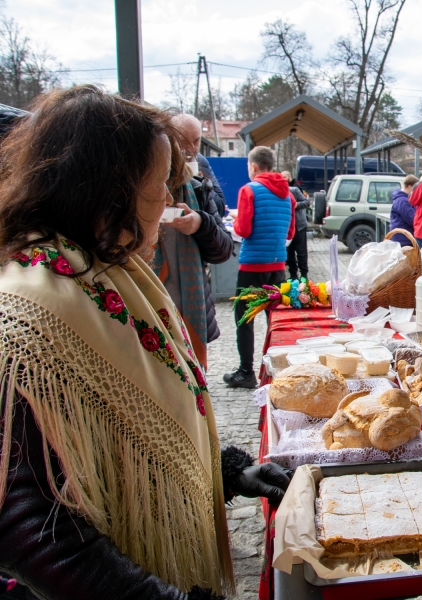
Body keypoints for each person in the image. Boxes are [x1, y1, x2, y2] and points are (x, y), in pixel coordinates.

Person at [0, 85, 291, 600]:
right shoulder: (28, 313)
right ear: (110, 191)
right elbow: (31, 526)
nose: (170, 202)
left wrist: (227, 471)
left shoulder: (105, 270)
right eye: (159, 184)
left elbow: (131, 432)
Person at [153, 146, 234, 370]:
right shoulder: (131, 192)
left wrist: (201, 224)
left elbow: (224, 250)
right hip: (148, 315)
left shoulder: (197, 189)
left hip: (189, 314)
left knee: (191, 376)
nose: (190, 151)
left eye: (195, 142)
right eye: (183, 142)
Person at [224, 146, 296, 389]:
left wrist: (235, 219)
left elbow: (243, 230)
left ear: (253, 166)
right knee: (275, 319)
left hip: (252, 266)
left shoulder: (249, 190)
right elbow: (290, 233)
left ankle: (246, 371)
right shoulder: (288, 195)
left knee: (245, 318)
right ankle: (280, 370)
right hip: (277, 266)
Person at [172, 114, 227, 217]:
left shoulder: (201, 161)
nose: (191, 148)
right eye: (184, 142)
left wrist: (200, 184)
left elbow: (220, 208)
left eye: (196, 141)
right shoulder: (163, 164)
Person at [282, 170, 311, 281]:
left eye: (284, 178)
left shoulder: (294, 190)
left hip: (299, 226)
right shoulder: (278, 193)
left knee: (301, 251)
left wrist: (295, 205)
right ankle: (293, 275)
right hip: (287, 227)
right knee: (289, 251)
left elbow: (306, 202)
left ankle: (304, 275)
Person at [389, 174, 418, 246]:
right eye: (416, 188)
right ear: (410, 187)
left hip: (403, 236)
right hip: (403, 238)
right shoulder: (402, 201)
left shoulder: (402, 199)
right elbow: (411, 219)